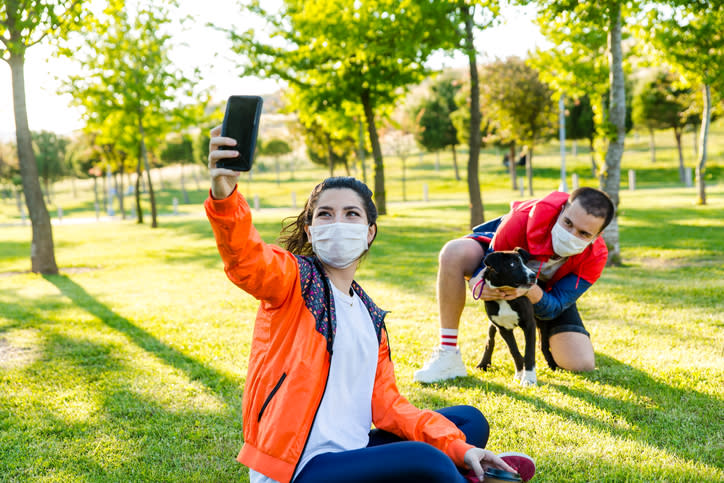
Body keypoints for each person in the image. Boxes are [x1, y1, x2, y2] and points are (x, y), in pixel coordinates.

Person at [205, 125, 535, 483]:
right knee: (429, 460)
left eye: (351, 214)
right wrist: (225, 196)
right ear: (311, 229)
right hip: (300, 468)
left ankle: (467, 466)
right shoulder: (294, 280)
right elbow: (247, 261)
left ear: (369, 231)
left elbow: (388, 407)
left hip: (355, 452)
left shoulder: (368, 314)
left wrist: (461, 448)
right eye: (325, 215)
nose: (338, 223)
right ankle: (463, 475)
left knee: (468, 423)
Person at [414, 187, 615, 384]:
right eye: (568, 223)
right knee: (453, 252)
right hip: (508, 266)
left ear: (598, 236)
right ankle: (448, 353)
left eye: (583, 233)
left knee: (581, 363)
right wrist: (478, 280)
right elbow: (489, 262)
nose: (571, 234)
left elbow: (556, 306)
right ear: (562, 209)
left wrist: (531, 292)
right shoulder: (522, 218)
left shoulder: (596, 257)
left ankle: (538, 328)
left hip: (545, 290)